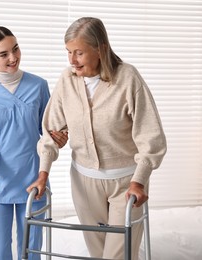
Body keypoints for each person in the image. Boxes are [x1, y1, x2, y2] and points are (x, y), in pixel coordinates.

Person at [28, 17, 167, 260]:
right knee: (98, 254)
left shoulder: (128, 78)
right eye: (68, 52)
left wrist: (140, 179)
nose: (72, 60)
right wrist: (43, 173)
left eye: (79, 53)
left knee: (118, 255)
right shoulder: (67, 80)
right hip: (83, 184)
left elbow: (151, 134)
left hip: (126, 183)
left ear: (101, 49)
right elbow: (50, 130)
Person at [0, 26, 67, 260]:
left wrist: (59, 140)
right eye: (3, 54)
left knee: (31, 251)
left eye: (15, 49)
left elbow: (47, 135)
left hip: (34, 181)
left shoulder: (38, 86)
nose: (13, 58)